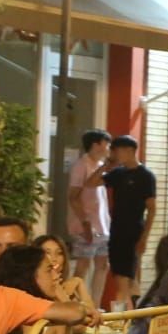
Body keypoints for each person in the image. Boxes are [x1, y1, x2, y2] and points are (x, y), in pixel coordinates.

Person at [89, 135, 155, 310]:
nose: (113, 154)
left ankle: (122, 320)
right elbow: (91, 183)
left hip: (133, 230)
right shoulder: (118, 173)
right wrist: (106, 166)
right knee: (124, 277)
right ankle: (132, 313)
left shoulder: (145, 176)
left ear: (129, 151)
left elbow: (152, 208)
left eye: (115, 150)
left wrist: (144, 237)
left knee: (124, 279)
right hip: (116, 229)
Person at [66, 129, 112, 302]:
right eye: (106, 143)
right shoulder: (81, 165)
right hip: (84, 226)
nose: (108, 148)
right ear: (96, 145)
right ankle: (74, 303)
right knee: (83, 266)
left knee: (103, 265)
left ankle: (95, 303)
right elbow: (73, 196)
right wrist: (85, 222)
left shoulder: (99, 167)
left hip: (102, 226)